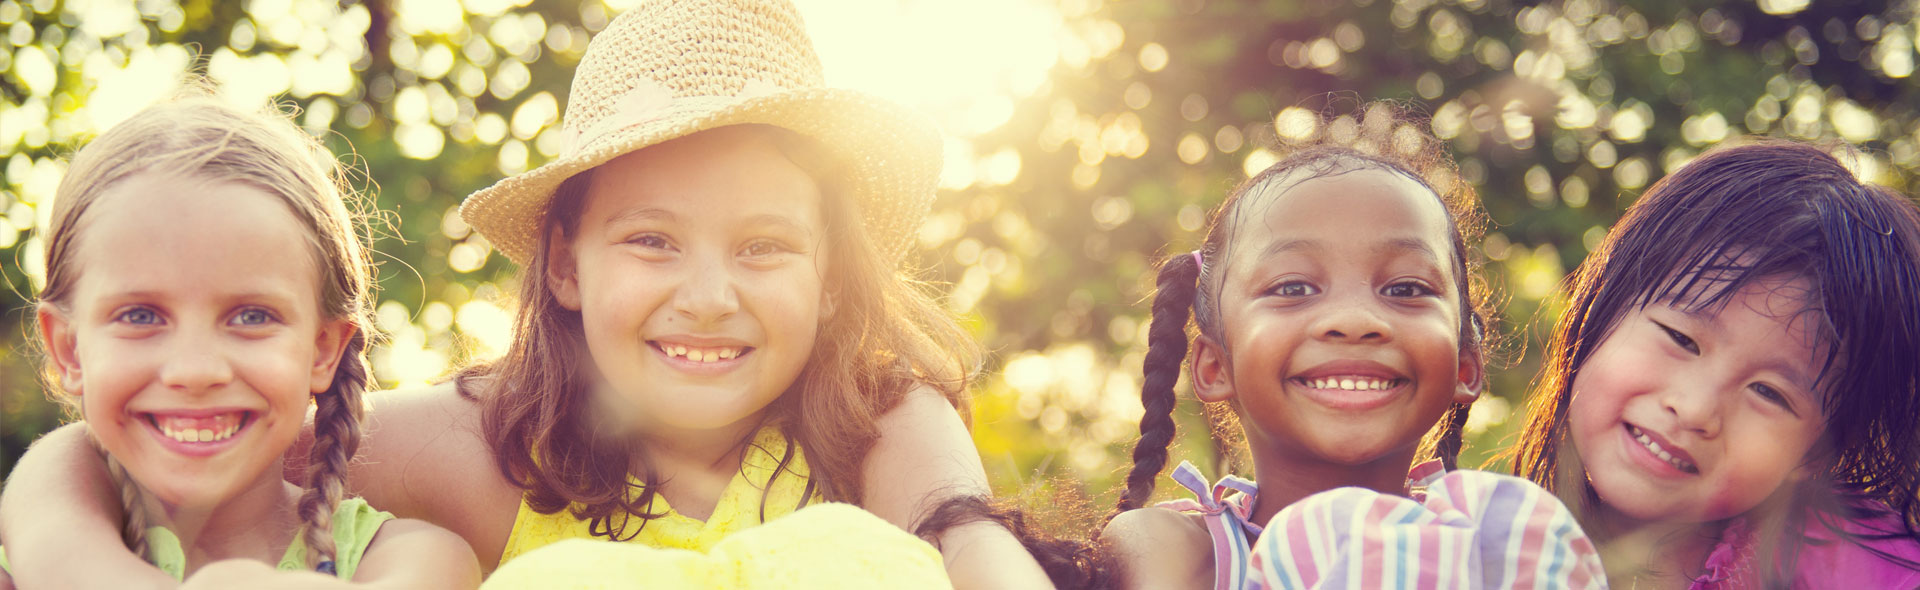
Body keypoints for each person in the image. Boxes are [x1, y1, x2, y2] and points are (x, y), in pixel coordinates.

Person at [0, 1, 1047, 587]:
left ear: (830, 279)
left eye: (766, 246)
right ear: (563, 265)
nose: (709, 294)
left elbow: (975, 541)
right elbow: (181, 436)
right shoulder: (473, 442)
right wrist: (66, 538)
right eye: (650, 239)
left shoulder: (872, 422)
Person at [1099, 105, 1604, 589]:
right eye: (1292, 288)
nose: (1355, 321)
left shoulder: (1506, 542)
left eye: (1406, 289)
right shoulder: (1177, 549)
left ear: (1465, 366)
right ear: (1213, 366)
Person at [0, 91, 479, 588]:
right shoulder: (26, 554)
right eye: (140, 315)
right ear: (69, 349)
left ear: (323, 349)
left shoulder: (412, 560)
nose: (196, 370)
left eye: (251, 316)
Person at [1507, 140, 1920, 588]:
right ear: (1599, 309)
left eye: (1769, 392)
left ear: (1816, 451)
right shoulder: (1460, 547)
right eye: (1682, 339)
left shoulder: (1870, 575)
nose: (1696, 410)